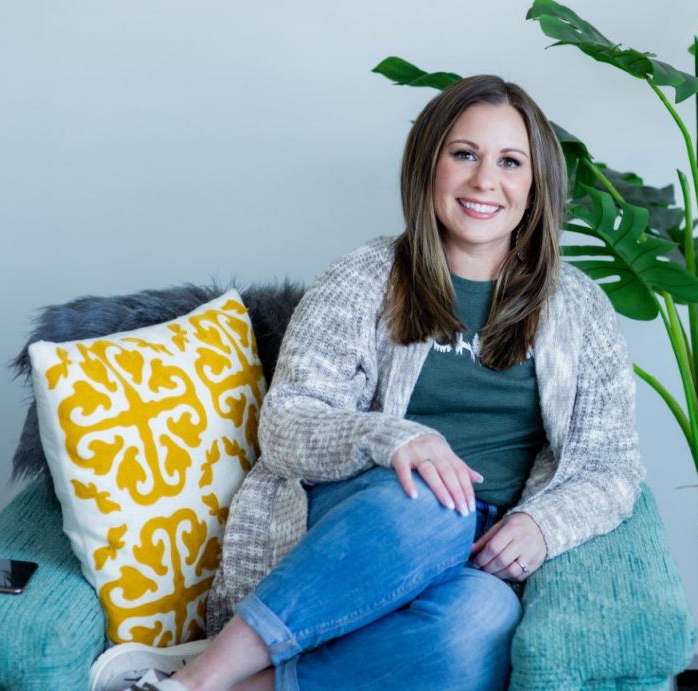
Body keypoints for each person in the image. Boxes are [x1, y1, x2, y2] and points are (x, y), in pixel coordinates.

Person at [94, 74, 644, 691]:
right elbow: (286, 422)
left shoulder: (578, 307)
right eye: (464, 154)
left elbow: (612, 465)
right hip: (374, 516)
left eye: (509, 162)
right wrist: (394, 440)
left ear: (535, 184)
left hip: (485, 550)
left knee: (479, 623)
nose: (485, 180)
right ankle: (200, 676)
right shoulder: (364, 277)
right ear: (427, 166)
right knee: (435, 496)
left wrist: (544, 525)